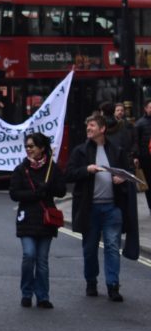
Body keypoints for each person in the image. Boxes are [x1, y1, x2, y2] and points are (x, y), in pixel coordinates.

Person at [64, 113, 135, 302]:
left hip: (112, 208)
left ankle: (113, 285)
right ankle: (91, 282)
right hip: (90, 208)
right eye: (88, 126)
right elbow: (69, 173)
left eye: (92, 126)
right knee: (90, 248)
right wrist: (86, 170)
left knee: (112, 246)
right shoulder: (80, 151)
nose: (88, 129)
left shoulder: (116, 150)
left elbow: (128, 174)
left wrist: (122, 179)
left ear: (102, 129)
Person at [8, 132, 66, 309]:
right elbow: (14, 194)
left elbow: (62, 191)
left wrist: (49, 188)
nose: (28, 149)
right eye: (26, 146)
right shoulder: (21, 169)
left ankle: (42, 296)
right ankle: (26, 293)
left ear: (41, 148)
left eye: (32, 146)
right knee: (29, 255)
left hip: (45, 221)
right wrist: (35, 193)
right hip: (27, 219)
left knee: (42, 260)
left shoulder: (52, 168)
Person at [134, 99, 151, 213]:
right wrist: (136, 157)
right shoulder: (140, 123)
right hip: (147, 159)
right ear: (145, 108)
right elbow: (136, 142)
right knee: (148, 184)